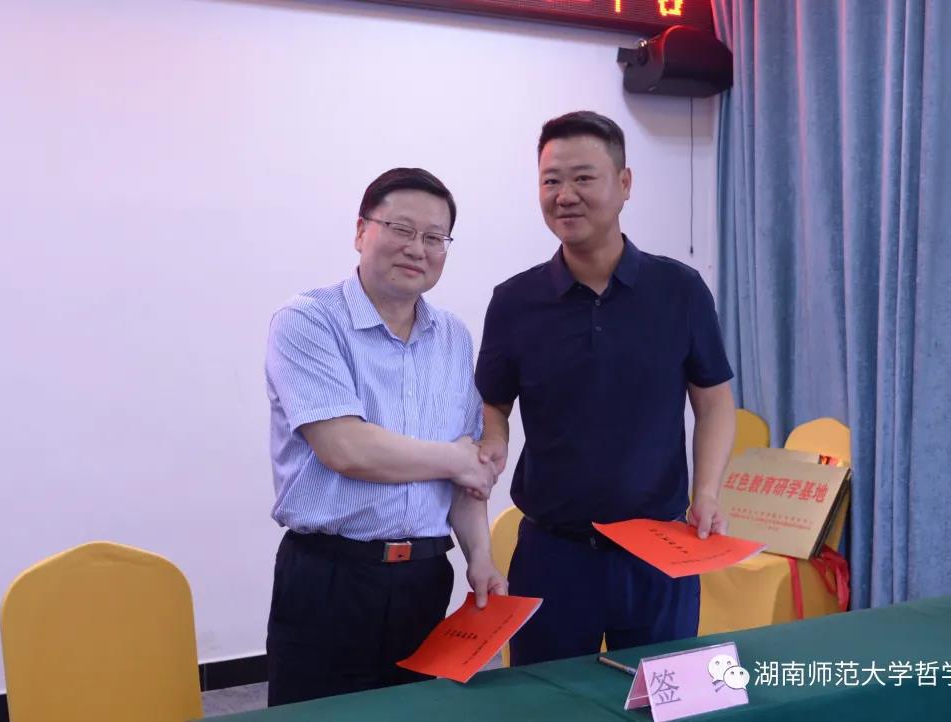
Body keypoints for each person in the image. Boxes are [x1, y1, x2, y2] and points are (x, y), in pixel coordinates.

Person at [474, 111, 736, 665]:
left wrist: (708, 493)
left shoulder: (679, 289)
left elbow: (713, 402)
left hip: (659, 550)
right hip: (553, 553)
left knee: (663, 695)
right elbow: (494, 399)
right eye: (551, 180)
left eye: (583, 178)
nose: (564, 195)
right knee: (546, 700)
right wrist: (494, 438)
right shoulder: (514, 301)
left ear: (624, 183)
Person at [264, 167, 507, 705]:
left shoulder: (452, 337)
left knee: (417, 713)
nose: (417, 248)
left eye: (434, 237)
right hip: (330, 578)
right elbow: (345, 448)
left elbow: (465, 473)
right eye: (401, 228)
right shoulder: (308, 321)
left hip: (425, 577)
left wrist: (480, 557)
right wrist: (455, 459)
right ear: (361, 231)